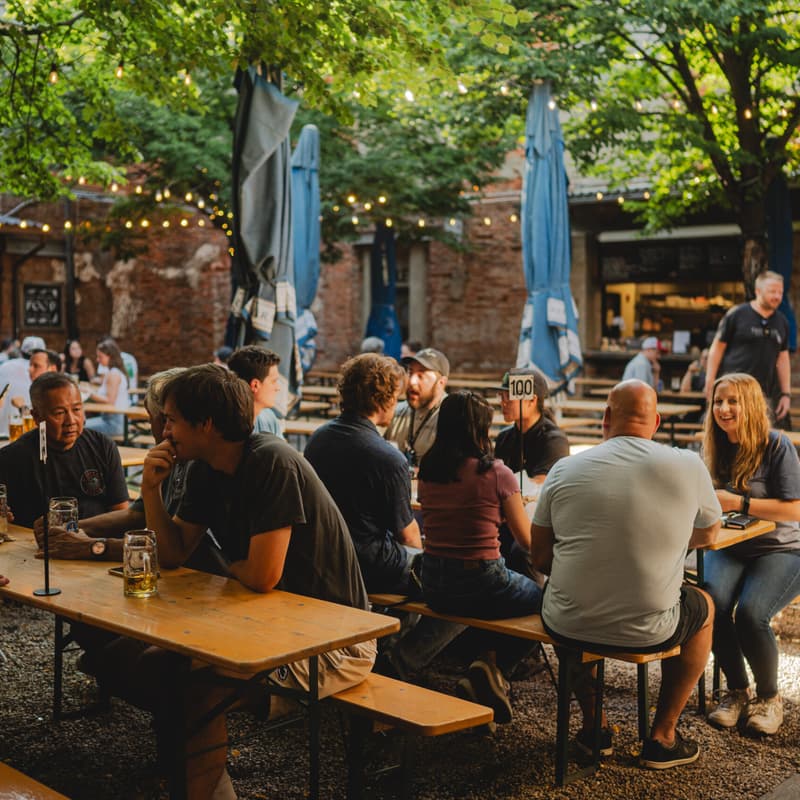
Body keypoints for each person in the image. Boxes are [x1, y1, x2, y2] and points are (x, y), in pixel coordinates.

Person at [94, 364, 373, 798]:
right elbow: (171, 554)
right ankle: (194, 772)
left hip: (336, 640)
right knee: (126, 659)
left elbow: (262, 576)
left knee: (196, 688)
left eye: (170, 419)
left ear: (205, 424)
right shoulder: (205, 467)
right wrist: (150, 491)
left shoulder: (271, 460)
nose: (163, 429)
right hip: (271, 622)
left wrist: (231, 565)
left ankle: (202, 781)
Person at [532, 380, 721, 768]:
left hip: (569, 622)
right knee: (705, 607)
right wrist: (669, 547)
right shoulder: (687, 464)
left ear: (605, 418)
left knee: (566, 599)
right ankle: (663, 737)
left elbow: (539, 557)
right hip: (652, 629)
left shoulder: (564, 469)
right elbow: (710, 531)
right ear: (655, 421)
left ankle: (594, 726)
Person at [415, 390, 542, 722]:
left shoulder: (428, 470)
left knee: (493, 602)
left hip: (433, 581)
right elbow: (526, 541)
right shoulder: (496, 473)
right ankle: (493, 670)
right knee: (545, 603)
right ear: (478, 430)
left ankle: (484, 664)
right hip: (480, 580)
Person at [702, 372, 800, 735]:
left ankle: (770, 698)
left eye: (732, 401)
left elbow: (795, 509)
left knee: (752, 614)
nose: (724, 409)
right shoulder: (714, 446)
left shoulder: (776, 445)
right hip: (730, 546)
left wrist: (739, 501)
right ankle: (737, 691)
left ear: (752, 405)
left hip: (783, 548)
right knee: (710, 604)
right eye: (718, 402)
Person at [31, 368, 193, 563]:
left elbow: (167, 552)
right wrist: (68, 529)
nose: (158, 429)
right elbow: (137, 514)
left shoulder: (197, 465)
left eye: (151, 419)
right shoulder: (172, 457)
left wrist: (92, 547)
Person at [305, 353, 420, 592]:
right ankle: (401, 630)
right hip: (368, 565)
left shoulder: (318, 438)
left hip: (320, 557)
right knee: (451, 585)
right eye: (395, 397)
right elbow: (408, 537)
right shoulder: (388, 458)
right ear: (383, 399)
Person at [0, 372, 129, 527]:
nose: (71, 421)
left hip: (94, 543)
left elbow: (121, 514)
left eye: (76, 409)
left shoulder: (102, 446)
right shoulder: (13, 458)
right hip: (35, 546)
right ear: (37, 417)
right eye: (59, 413)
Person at [494, 368, 569, 582]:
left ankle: (533, 606)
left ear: (530, 400)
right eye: (501, 395)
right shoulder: (504, 438)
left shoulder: (553, 440)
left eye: (508, 395)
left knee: (522, 549)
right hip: (507, 519)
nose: (503, 401)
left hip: (541, 522)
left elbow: (539, 489)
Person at [704, 271, 791, 424]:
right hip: (733, 394)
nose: (777, 296)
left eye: (780, 292)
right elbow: (717, 349)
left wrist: (786, 394)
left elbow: (783, 358)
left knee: (761, 442)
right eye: (772, 291)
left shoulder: (782, 321)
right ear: (758, 291)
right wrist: (710, 381)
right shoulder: (737, 314)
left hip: (764, 396)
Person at [384, 347, 449, 469]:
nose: (411, 381)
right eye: (410, 372)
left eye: (421, 375)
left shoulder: (451, 416)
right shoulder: (395, 411)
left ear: (441, 382)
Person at [227, 345, 283, 437]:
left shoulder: (269, 417)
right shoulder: (229, 425)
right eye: (274, 381)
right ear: (255, 385)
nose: (278, 388)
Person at [0, 335, 45, 436]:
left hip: (3, 433)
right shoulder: (44, 373)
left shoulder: (4, 367)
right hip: (31, 438)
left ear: (21, 352)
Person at [85, 339, 130, 436]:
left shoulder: (113, 374)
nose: (97, 359)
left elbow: (110, 401)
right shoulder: (114, 372)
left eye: (100, 356)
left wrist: (89, 393)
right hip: (112, 420)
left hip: (114, 423)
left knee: (79, 428)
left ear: (110, 356)